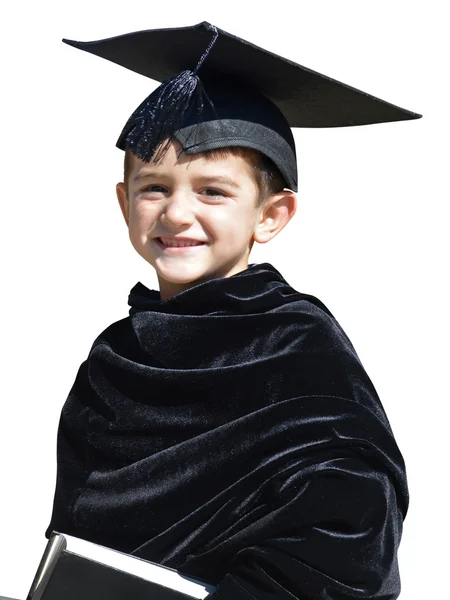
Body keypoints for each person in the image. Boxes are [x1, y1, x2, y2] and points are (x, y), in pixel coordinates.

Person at [45, 22, 420, 599]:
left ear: (271, 216)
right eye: (154, 187)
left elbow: (353, 523)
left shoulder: (297, 347)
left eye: (212, 191)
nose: (176, 213)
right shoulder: (114, 360)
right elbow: (75, 532)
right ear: (124, 204)